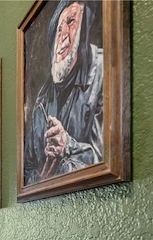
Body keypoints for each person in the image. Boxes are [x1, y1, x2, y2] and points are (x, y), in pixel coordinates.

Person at [24, 0, 103, 185]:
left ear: (84, 29)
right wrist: (43, 176)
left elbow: (105, 158)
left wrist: (66, 145)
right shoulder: (43, 96)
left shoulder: (103, 72)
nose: (63, 36)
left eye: (71, 22)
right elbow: (27, 170)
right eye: (58, 29)